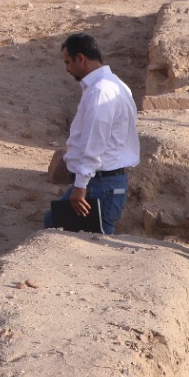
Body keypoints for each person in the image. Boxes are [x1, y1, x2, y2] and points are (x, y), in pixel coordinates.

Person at [49, 33, 139, 235]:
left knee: (97, 244)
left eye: (68, 62)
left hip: (99, 184)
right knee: (53, 223)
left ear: (80, 58)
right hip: (103, 181)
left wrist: (80, 186)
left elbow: (94, 142)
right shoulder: (115, 84)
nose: (67, 69)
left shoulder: (100, 91)